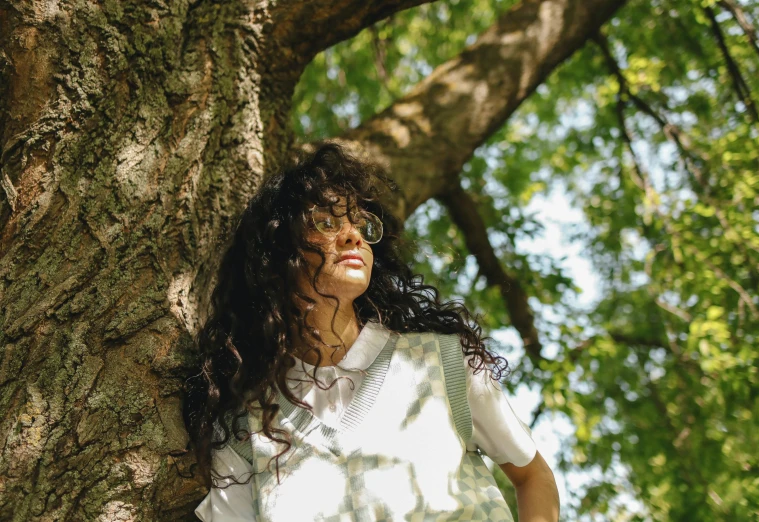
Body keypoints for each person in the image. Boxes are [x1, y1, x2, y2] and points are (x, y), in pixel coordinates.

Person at [182, 143, 560, 521]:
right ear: (277, 250)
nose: (353, 236)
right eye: (327, 223)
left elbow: (534, 476)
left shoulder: (445, 362)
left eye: (361, 224)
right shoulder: (242, 425)